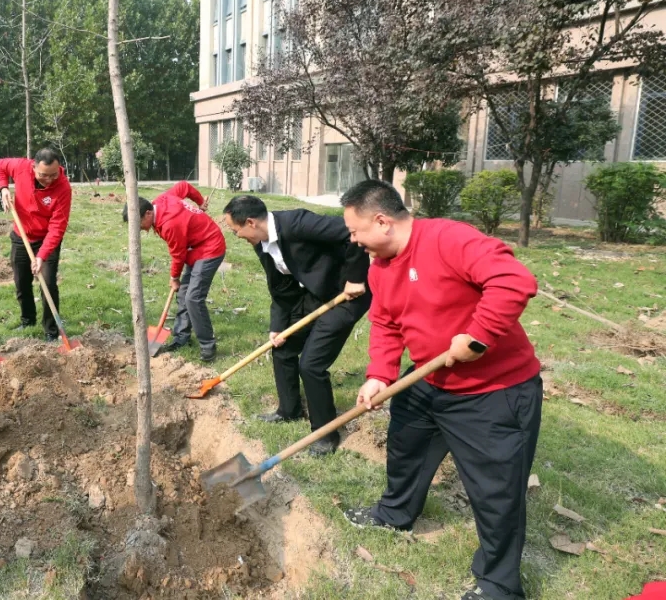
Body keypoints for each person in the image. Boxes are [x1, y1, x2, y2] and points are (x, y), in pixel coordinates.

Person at [340, 180, 541, 600]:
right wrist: (380, 373)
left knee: (496, 491)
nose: (353, 240)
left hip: (493, 392)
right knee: (405, 450)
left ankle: (499, 583)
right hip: (427, 380)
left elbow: (513, 280)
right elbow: (386, 322)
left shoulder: (449, 238)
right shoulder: (381, 266)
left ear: (382, 221)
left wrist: (478, 335)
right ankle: (396, 513)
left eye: (356, 231)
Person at [223, 195, 370, 455]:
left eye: (236, 231)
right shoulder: (262, 243)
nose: (237, 236)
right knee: (282, 348)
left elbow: (351, 233)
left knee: (311, 364)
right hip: (315, 295)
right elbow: (280, 287)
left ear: (250, 222)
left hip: (347, 295)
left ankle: (325, 434)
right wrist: (278, 326)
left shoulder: (298, 223)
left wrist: (355, 277)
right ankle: (289, 410)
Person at [126, 182, 226, 361]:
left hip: (210, 248)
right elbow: (184, 187)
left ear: (148, 213)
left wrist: (174, 277)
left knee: (193, 298)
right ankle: (182, 337)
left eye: (139, 224)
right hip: (195, 248)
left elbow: (178, 255)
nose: (139, 229)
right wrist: (200, 202)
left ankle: (208, 346)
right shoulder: (162, 200)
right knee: (183, 295)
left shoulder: (170, 224)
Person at [0, 149, 73, 342]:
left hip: (47, 238)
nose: (49, 179)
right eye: (43, 175)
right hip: (21, 234)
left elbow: (57, 227)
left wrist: (41, 255)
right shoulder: (21, 166)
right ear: (33, 167)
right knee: (21, 281)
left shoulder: (63, 188)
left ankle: (50, 329)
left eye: (53, 174)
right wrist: (4, 188)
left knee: (47, 282)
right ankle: (27, 319)